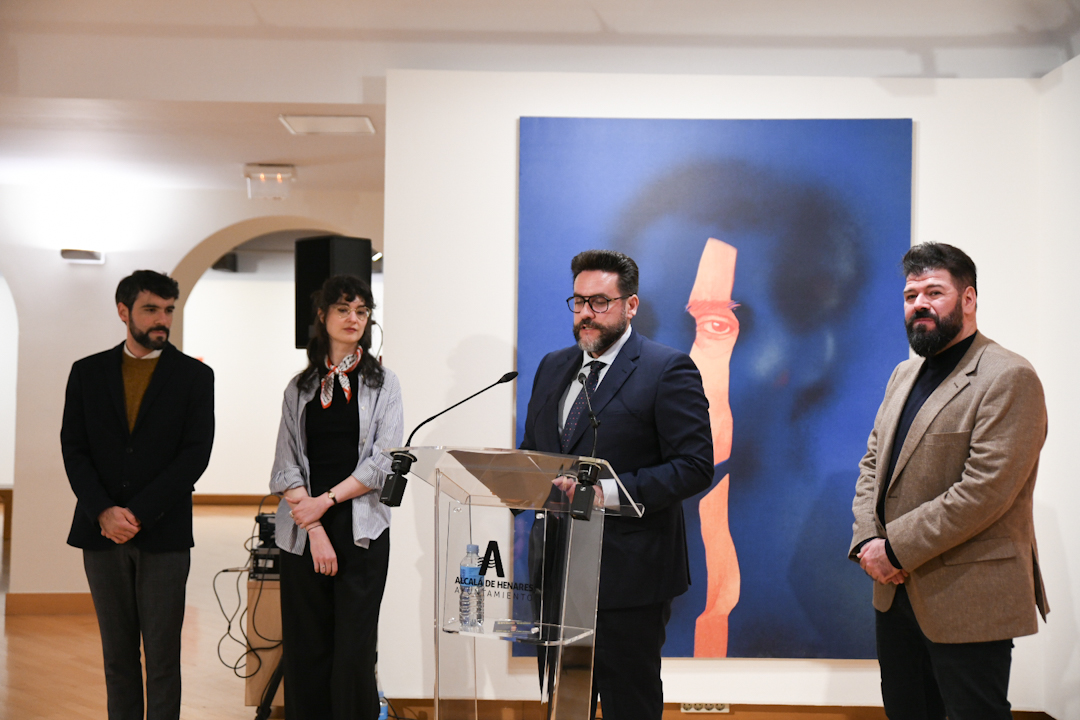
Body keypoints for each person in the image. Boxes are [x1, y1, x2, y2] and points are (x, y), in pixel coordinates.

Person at [849, 243, 1049, 720]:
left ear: (968, 299)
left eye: (934, 292)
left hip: (968, 593)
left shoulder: (1009, 376)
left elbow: (984, 491)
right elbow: (873, 464)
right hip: (895, 593)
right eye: (910, 295)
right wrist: (867, 540)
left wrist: (893, 550)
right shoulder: (903, 374)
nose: (919, 304)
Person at [520, 250, 713, 720]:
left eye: (600, 302)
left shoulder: (666, 369)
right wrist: (509, 484)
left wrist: (605, 493)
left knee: (630, 704)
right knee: (565, 706)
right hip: (558, 569)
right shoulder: (552, 366)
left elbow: (694, 465)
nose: (586, 313)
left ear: (631, 305)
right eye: (579, 301)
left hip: (629, 573)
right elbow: (534, 451)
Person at [61, 270, 215, 720]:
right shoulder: (87, 372)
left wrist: (139, 513)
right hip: (101, 534)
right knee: (118, 658)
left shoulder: (194, 376)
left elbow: (195, 455)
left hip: (164, 534)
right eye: (151, 309)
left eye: (168, 310)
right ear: (123, 311)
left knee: (163, 660)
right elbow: (74, 448)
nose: (162, 319)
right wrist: (103, 512)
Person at [270, 274, 403, 720]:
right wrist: (312, 524)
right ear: (323, 316)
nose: (353, 318)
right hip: (302, 533)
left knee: (354, 654)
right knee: (306, 650)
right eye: (343, 309)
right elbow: (284, 465)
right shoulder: (299, 387)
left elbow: (383, 461)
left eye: (362, 311)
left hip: (361, 529)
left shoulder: (385, 383)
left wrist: (323, 502)